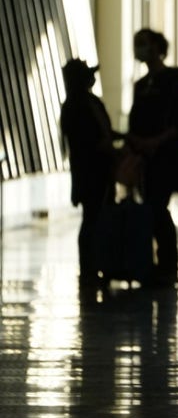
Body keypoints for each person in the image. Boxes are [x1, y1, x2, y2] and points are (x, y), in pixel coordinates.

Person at [127, 28, 178, 286]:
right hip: (144, 158)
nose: (139, 49)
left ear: (158, 47)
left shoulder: (176, 81)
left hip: (165, 157)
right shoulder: (142, 85)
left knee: (157, 208)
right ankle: (157, 265)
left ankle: (166, 267)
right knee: (151, 209)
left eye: (143, 44)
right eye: (137, 44)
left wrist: (154, 142)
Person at [60, 58, 118, 287]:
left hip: (92, 170)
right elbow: (88, 141)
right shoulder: (80, 105)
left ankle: (94, 266)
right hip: (91, 171)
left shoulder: (80, 103)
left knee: (94, 217)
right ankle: (91, 268)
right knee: (93, 218)